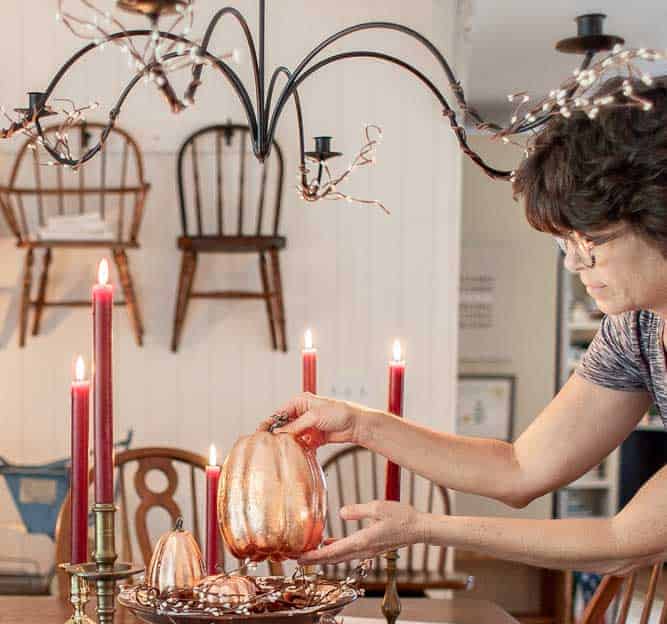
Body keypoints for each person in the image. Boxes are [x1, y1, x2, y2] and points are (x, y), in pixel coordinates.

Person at [263, 77, 667, 576]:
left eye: (591, 241)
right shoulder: (637, 330)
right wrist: (359, 424)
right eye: (566, 242)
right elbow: (520, 469)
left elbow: (626, 543)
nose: (574, 263)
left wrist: (424, 527)